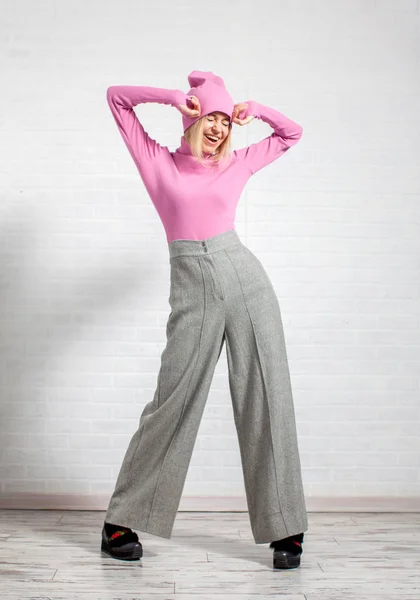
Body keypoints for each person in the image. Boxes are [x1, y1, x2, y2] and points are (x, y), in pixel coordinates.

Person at [100, 70, 308, 570]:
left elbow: (291, 133)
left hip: (243, 277)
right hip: (191, 283)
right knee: (174, 397)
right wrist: (174, 98)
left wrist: (253, 110)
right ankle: (122, 520)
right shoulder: (157, 161)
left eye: (223, 121)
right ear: (192, 118)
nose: (217, 128)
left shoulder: (236, 162)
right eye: (209, 117)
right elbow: (117, 99)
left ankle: (286, 526)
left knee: (266, 389)